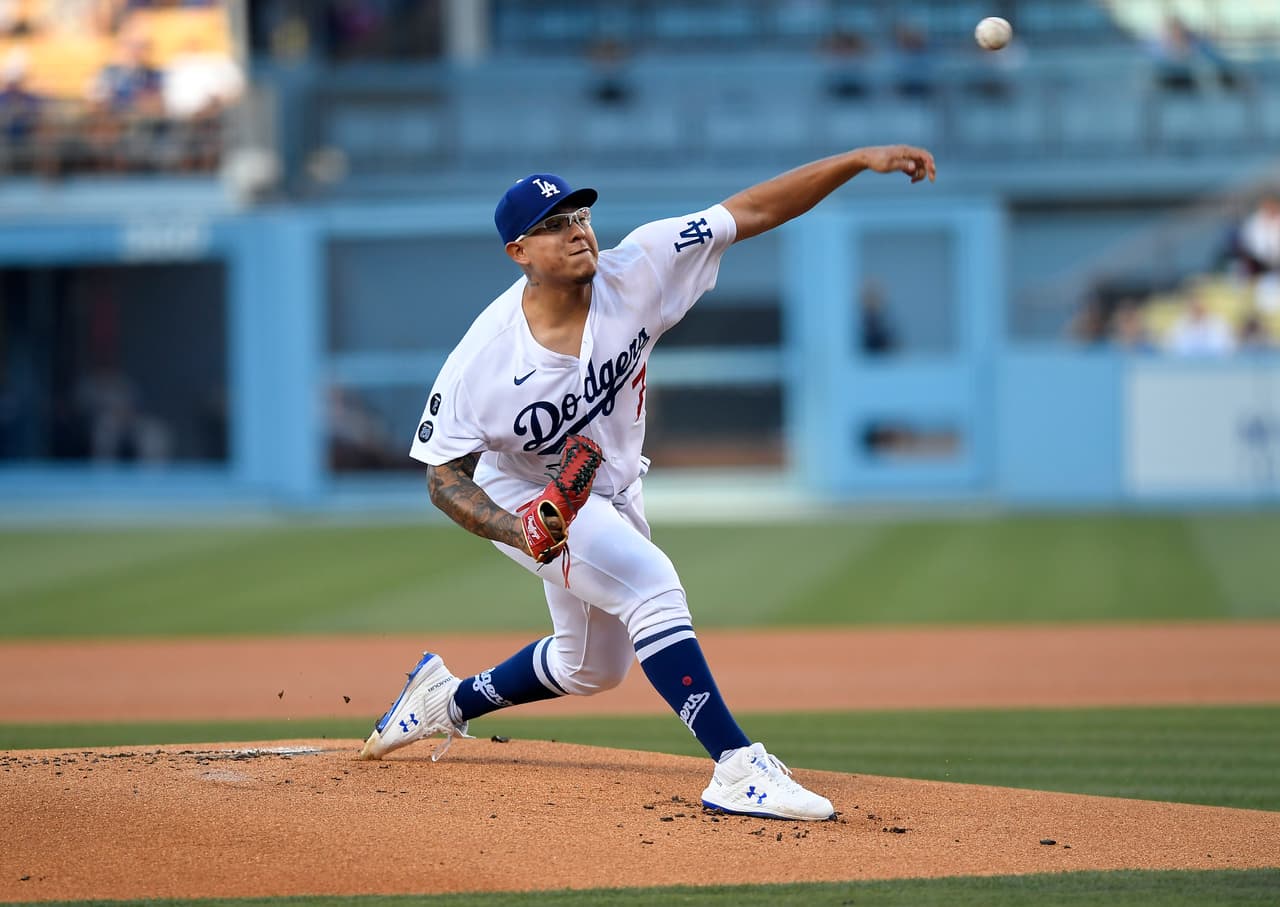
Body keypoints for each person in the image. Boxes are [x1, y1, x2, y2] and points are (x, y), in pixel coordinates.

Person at [358, 144, 937, 821]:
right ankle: (736, 765)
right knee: (651, 583)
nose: (576, 228)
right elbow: (443, 477)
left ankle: (446, 699)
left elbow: (749, 209)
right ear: (519, 251)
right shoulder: (481, 362)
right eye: (553, 223)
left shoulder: (640, 267)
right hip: (524, 498)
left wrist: (858, 160)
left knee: (592, 668)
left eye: (578, 213)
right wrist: (517, 528)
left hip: (613, 489)